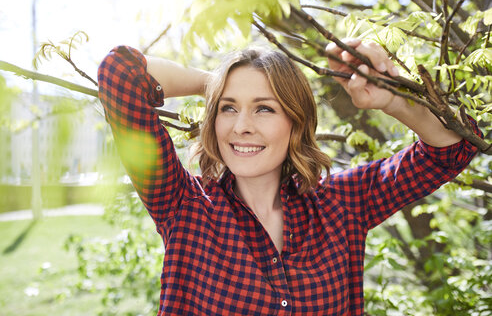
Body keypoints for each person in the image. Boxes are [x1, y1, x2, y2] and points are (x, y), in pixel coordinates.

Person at [97, 39, 480, 315]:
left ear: (296, 123)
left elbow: (450, 149)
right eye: (228, 109)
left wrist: (393, 98)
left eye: (264, 109)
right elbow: (120, 73)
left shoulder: (342, 204)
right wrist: (214, 82)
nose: (241, 127)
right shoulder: (182, 205)